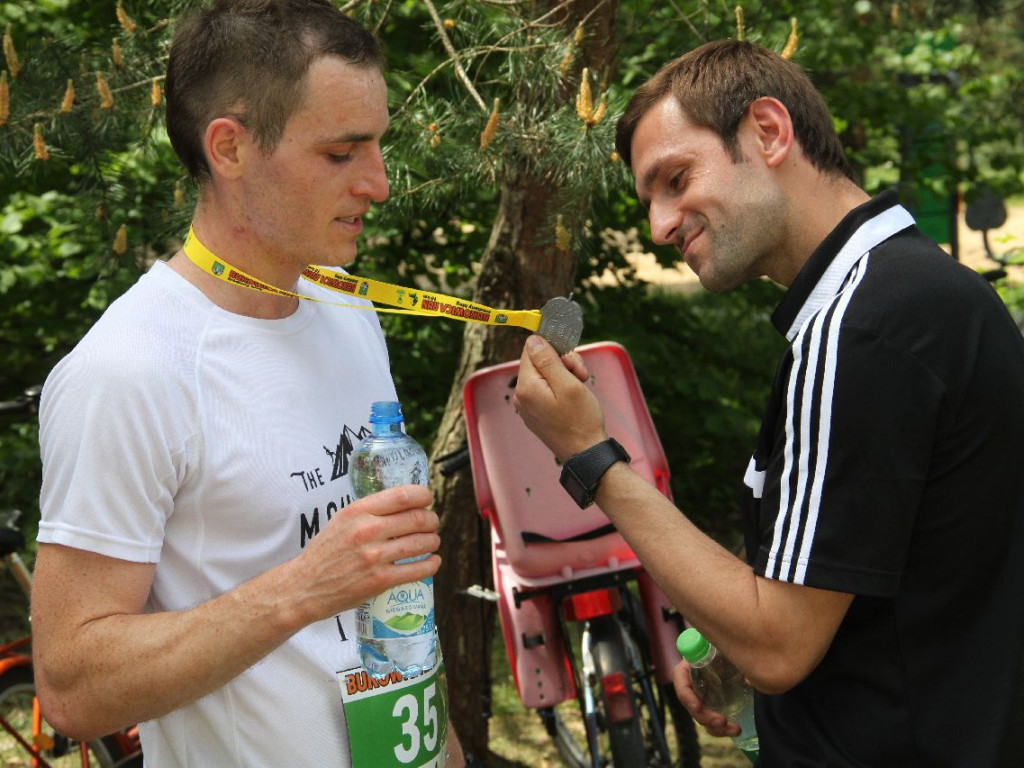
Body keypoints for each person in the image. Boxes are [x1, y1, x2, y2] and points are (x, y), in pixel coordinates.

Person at [512, 39, 1024, 767]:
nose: (659, 227)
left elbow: (779, 643)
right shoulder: (912, 293)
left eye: (676, 178)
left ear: (769, 132)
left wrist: (589, 456)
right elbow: (868, 583)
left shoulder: (865, 327)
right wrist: (735, 641)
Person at [31, 2, 466, 766]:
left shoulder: (345, 310)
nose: (381, 184)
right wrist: (303, 586)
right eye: (342, 153)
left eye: (379, 147)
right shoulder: (127, 371)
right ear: (229, 148)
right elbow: (72, 687)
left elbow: (385, 593)